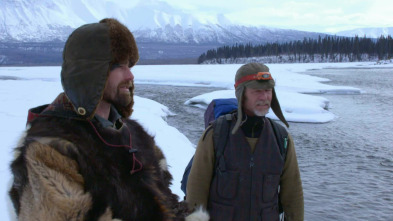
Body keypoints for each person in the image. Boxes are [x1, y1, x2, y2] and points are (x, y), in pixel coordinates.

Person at [8, 18, 208, 221]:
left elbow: (166, 204)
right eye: (118, 66)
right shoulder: (48, 145)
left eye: (129, 65)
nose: (130, 74)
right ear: (91, 73)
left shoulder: (135, 135)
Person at [186, 62, 304, 220]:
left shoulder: (281, 138)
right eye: (257, 91)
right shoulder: (215, 135)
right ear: (241, 94)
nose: (264, 97)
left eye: (268, 91)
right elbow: (196, 192)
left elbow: (292, 194)